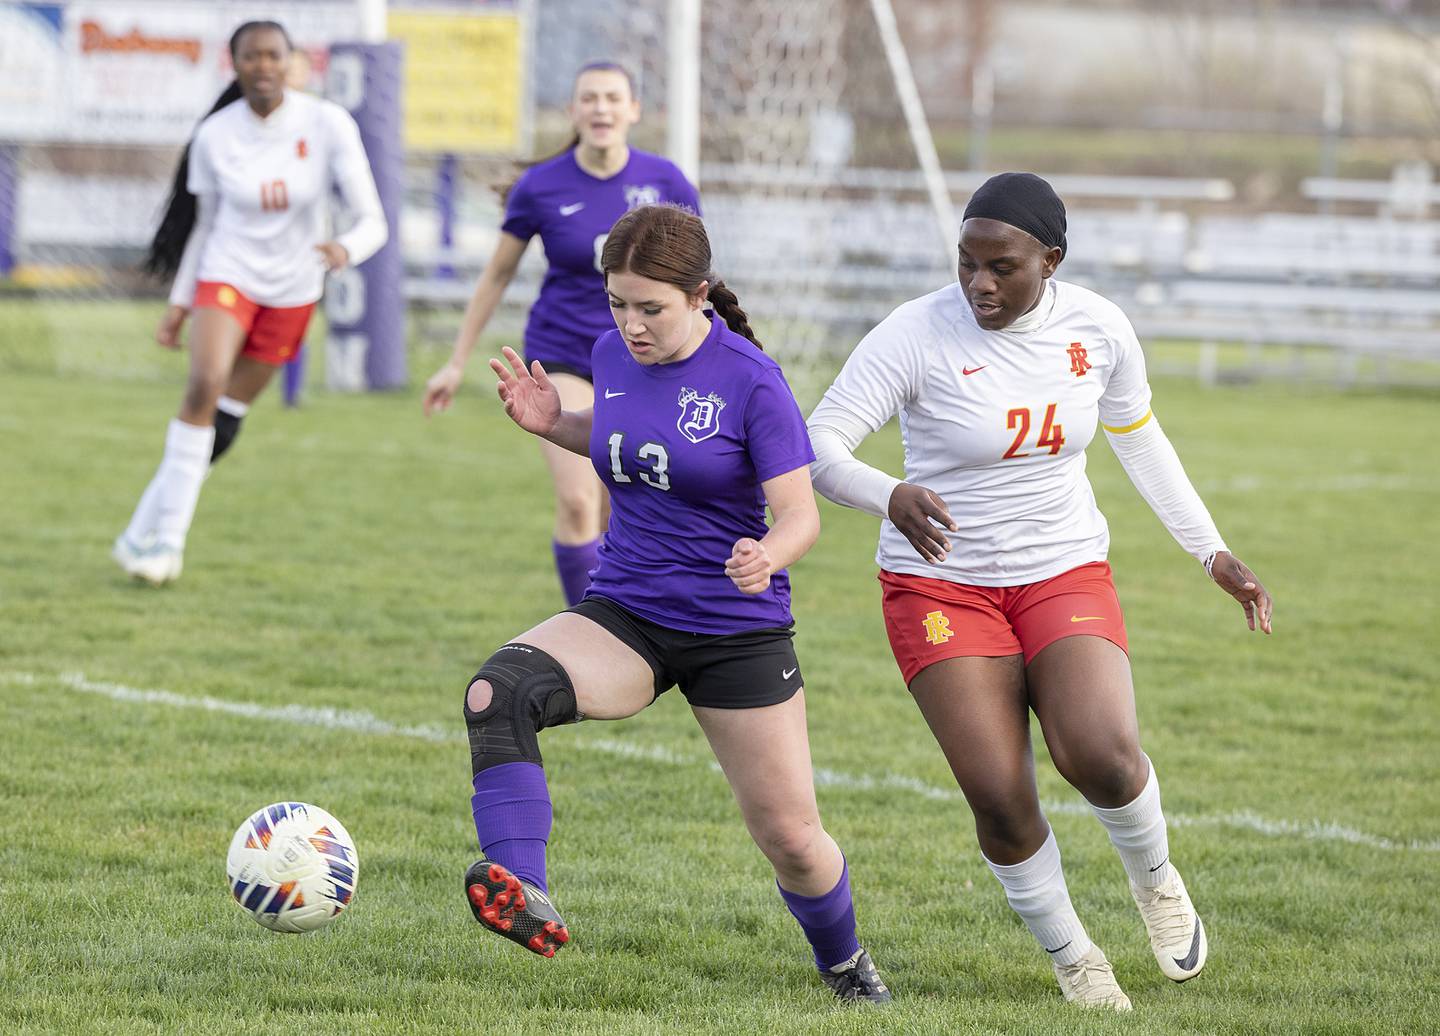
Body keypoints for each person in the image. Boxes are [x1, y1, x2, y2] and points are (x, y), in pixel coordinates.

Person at [806, 172, 1273, 1011]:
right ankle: (1073, 956)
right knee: (999, 793)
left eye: (1003, 266)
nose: (980, 283)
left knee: (1098, 752)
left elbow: (1139, 439)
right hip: (939, 585)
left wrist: (1213, 552)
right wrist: (891, 494)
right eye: (966, 263)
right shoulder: (914, 334)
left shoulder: (1099, 329)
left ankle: (1158, 882)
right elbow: (821, 444)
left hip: (1062, 569)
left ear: (1050, 261)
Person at [458, 204, 889, 1004]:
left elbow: (800, 514)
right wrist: (558, 423)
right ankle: (525, 889)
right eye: (618, 304)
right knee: (498, 692)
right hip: (627, 612)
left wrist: (769, 553)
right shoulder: (608, 354)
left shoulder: (753, 382)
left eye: (649, 307)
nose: (630, 325)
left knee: (792, 841)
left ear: (698, 295)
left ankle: (845, 963)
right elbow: (627, 440)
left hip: (735, 631)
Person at [112, 20, 386, 585]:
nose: (264, 66)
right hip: (226, 274)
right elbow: (204, 227)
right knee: (203, 384)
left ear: (291, 61)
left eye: (274, 56)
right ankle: (167, 545)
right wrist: (180, 302)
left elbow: (373, 221)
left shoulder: (327, 122)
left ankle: (140, 529)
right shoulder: (215, 134)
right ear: (234, 65)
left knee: (227, 420)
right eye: (251, 57)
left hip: (295, 286)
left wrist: (344, 248)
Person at [422, 62, 699, 607]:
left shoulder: (667, 182)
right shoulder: (541, 187)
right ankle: (587, 630)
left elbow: (693, 280)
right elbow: (497, 274)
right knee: (577, 501)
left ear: (633, 110)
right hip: (565, 354)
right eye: (589, 98)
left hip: (644, 363)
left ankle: (625, 622)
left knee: (613, 509)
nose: (601, 108)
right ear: (573, 111)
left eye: (613, 98)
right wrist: (456, 361)